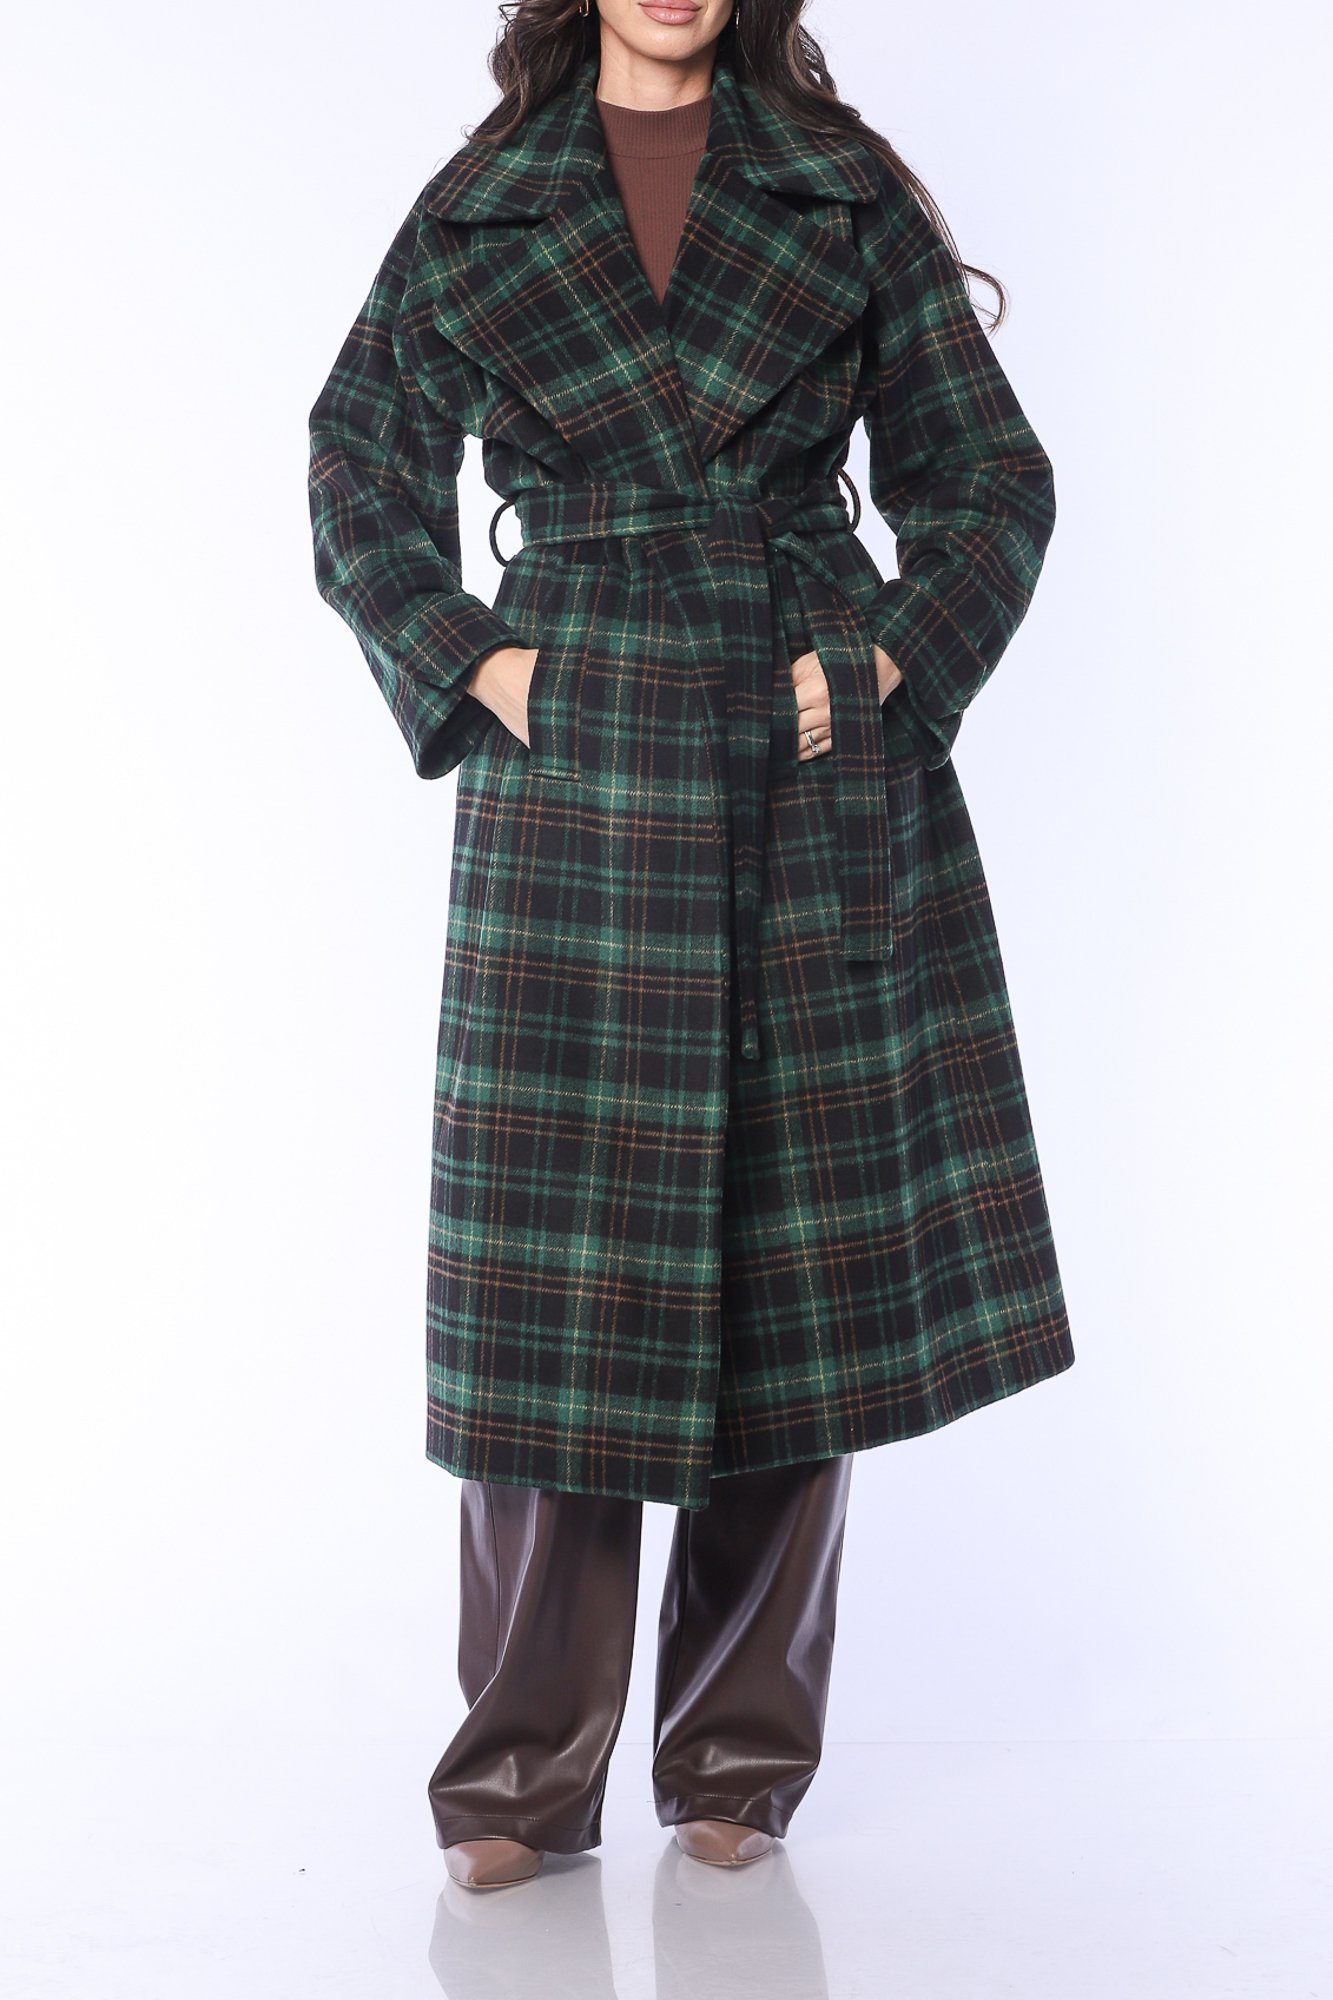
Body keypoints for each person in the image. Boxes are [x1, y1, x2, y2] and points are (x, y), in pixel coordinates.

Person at [306, 0, 1075, 1893]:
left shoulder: (838, 194)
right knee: (551, 1289)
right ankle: (518, 1781)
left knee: (789, 1267)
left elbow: (991, 479)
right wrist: (476, 661)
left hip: (802, 755)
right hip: (573, 766)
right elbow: (354, 465)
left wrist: (884, 658)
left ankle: (738, 1759)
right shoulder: (484, 202)